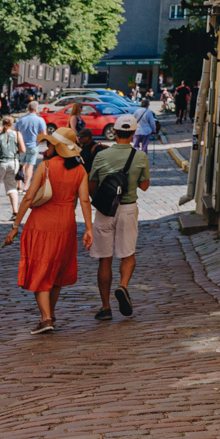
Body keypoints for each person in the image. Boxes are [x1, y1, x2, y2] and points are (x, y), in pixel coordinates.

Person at [5, 126, 87, 333]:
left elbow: (29, 197)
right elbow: (85, 200)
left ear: (56, 146)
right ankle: (49, 314)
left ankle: (46, 318)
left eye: (49, 144)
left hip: (42, 223)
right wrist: (89, 229)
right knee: (58, 271)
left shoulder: (47, 166)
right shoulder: (80, 170)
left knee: (41, 270)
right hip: (67, 224)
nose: (46, 147)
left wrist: (15, 226)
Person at [85, 118, 150, 320]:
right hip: (128, 208)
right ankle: (123, 286)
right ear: (133, 133)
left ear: (114, 131)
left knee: (105, 258)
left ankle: (105, 307)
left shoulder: (102, 155)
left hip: (105, 209)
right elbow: (145, 185)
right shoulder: (139, 156)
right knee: (127, 254)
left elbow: (92, 185)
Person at [0, 117, 25, 222]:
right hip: (13, 162)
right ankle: (15, 211)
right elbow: (23, 149)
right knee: (12, 187)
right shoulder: (17, 134)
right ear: (12, 124)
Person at [12, 94, 47, 170]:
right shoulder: (40, 120)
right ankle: (27, 182)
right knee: (30, 166)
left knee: (21, 165)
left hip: (21, 145)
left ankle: (19, 181)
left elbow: (15, 132)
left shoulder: (20, 119)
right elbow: (44, 135)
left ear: (28, 109)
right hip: (33, 145)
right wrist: (40, 141)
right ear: (36, 109)